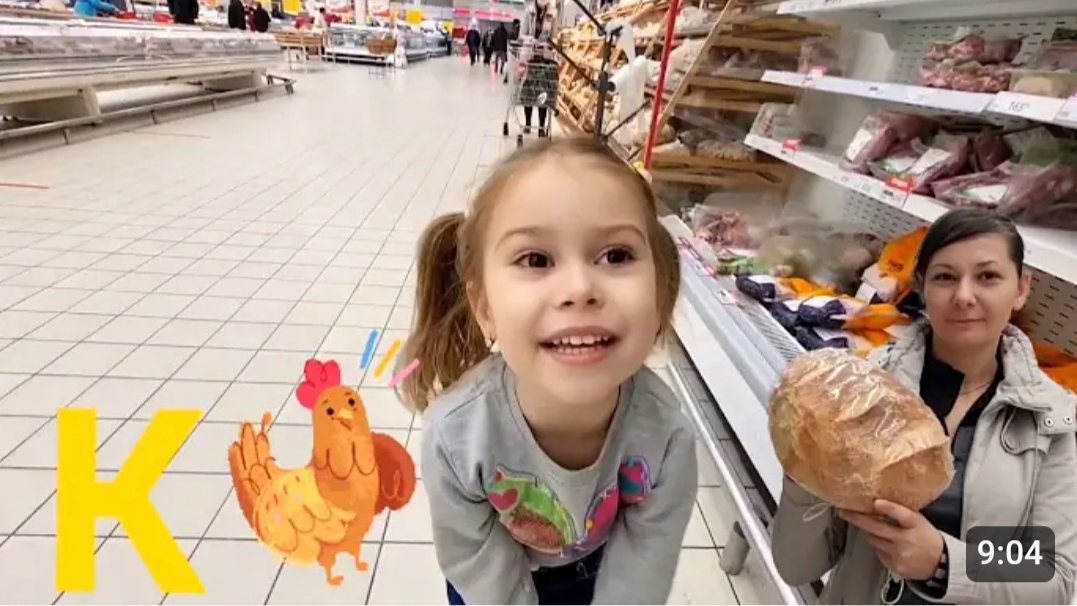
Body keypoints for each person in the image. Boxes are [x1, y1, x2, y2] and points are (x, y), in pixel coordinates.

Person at [400, 137, 698, 605]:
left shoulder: (667, 437)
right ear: (484, 307)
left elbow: (645, 561)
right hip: (490, 581)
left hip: (600, 573)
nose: (579, 288)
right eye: (536, 259)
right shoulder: (456, 435)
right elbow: (473, 555)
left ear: (661, 291)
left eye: (616, 255)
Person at [771, 207, 1077, 605]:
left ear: (1021, 289)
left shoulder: (1050, 421)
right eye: (945, 277)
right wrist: (803, 468)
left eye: (988, 276)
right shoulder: (860, 392)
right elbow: (796, 567)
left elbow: (1053, 573)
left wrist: (944, 561)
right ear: (920, 286)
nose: (964, 296)